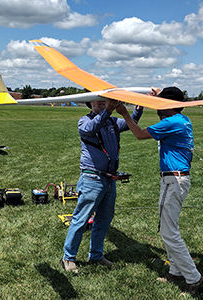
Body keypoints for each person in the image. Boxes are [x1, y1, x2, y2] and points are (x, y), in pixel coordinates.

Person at [116, 87, 203, 295]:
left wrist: (125, 113)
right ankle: (175, 270)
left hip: (173, 180)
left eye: (161, 103)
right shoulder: (182, 120)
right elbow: (163, 112)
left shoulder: (171, 122)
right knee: (168, 227)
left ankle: (194, 279)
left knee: (168, 232)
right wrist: (156, 100)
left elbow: (138, 134)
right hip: (177, 179)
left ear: (168, 105)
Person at [61, 99, 143, 273]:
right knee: (81, 218)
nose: (101, 104)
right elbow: (91, 129)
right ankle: (68, 258)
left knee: (104, 219)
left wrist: (139, 107)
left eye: (104, 102)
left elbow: (131, 123)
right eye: (97, 102)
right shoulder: (84, 121)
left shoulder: (113, 122)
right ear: (89, 103)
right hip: (92, 178)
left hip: (109, 179)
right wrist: (109, 111)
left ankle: (96, 255)